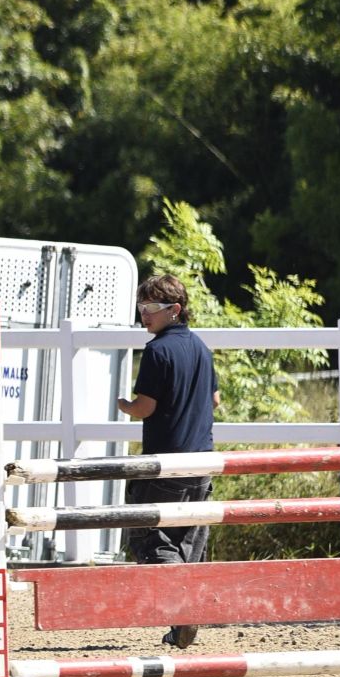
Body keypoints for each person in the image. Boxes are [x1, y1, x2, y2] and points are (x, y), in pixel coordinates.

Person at [116, 274, 221, 649]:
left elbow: (146, 407)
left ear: (174, 310)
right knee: (189, 541)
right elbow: (215, 401)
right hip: (203, 461)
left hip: (166, 460)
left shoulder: (157, 351)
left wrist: (124, 406)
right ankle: (184, 622)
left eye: (150, 309)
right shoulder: (202, 348)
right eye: (141, 308)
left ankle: (184, 611)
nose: (144, 316)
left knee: (150, 536)